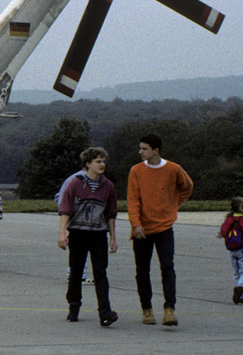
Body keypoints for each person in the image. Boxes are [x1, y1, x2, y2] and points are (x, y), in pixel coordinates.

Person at [127, 133, 193, 326]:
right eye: (140, 148)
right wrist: (136, 224)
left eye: (144, 149)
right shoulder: (136, 171)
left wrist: (173, 204)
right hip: (142, 229)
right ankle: (146, 310)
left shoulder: (174, 169)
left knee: (167, 268)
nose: (140, 152)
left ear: (156, 151)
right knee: (142, 271)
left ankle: (169, 309)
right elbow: (132, 200)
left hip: (164, 227)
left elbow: (187, 187)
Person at [57, 147, 119, 326]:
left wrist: (112, 238)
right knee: (76, 272)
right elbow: (65, 209)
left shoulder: (108, 186)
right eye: (98, 161)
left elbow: (111, 213)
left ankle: (105, 312)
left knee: (101, 273)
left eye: (103, 161)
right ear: (88, 164)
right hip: (78, 233)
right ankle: (74, 307)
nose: (102, 165)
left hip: (98, 234)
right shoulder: (75, 184)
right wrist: (62, 234)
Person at [218, 197, 243, 305]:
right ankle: (240, 288)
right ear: (241, 208)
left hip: (232, 250)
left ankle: (242, 297)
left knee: (237, 273)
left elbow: (223, 233)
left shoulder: (228, 220)